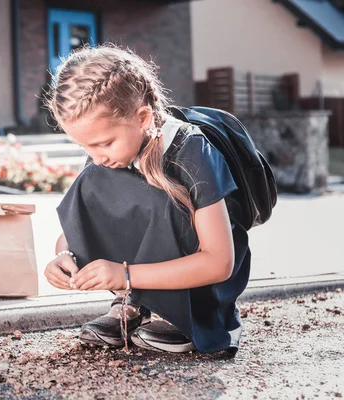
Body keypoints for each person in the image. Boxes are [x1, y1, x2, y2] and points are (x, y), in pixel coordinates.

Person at [43, 44, 250, 355]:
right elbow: (79, 228)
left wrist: (125, 275)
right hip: (139, 275)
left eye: (105, 143)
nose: (96, 157)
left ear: (142, 118)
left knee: (164, 197)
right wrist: (64, 256)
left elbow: (220, 261)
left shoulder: (191, 153)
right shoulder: (107, 159)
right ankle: (133, 303)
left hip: (200, 284)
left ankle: (180, 315)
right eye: (86, 147)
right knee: (93, 181)